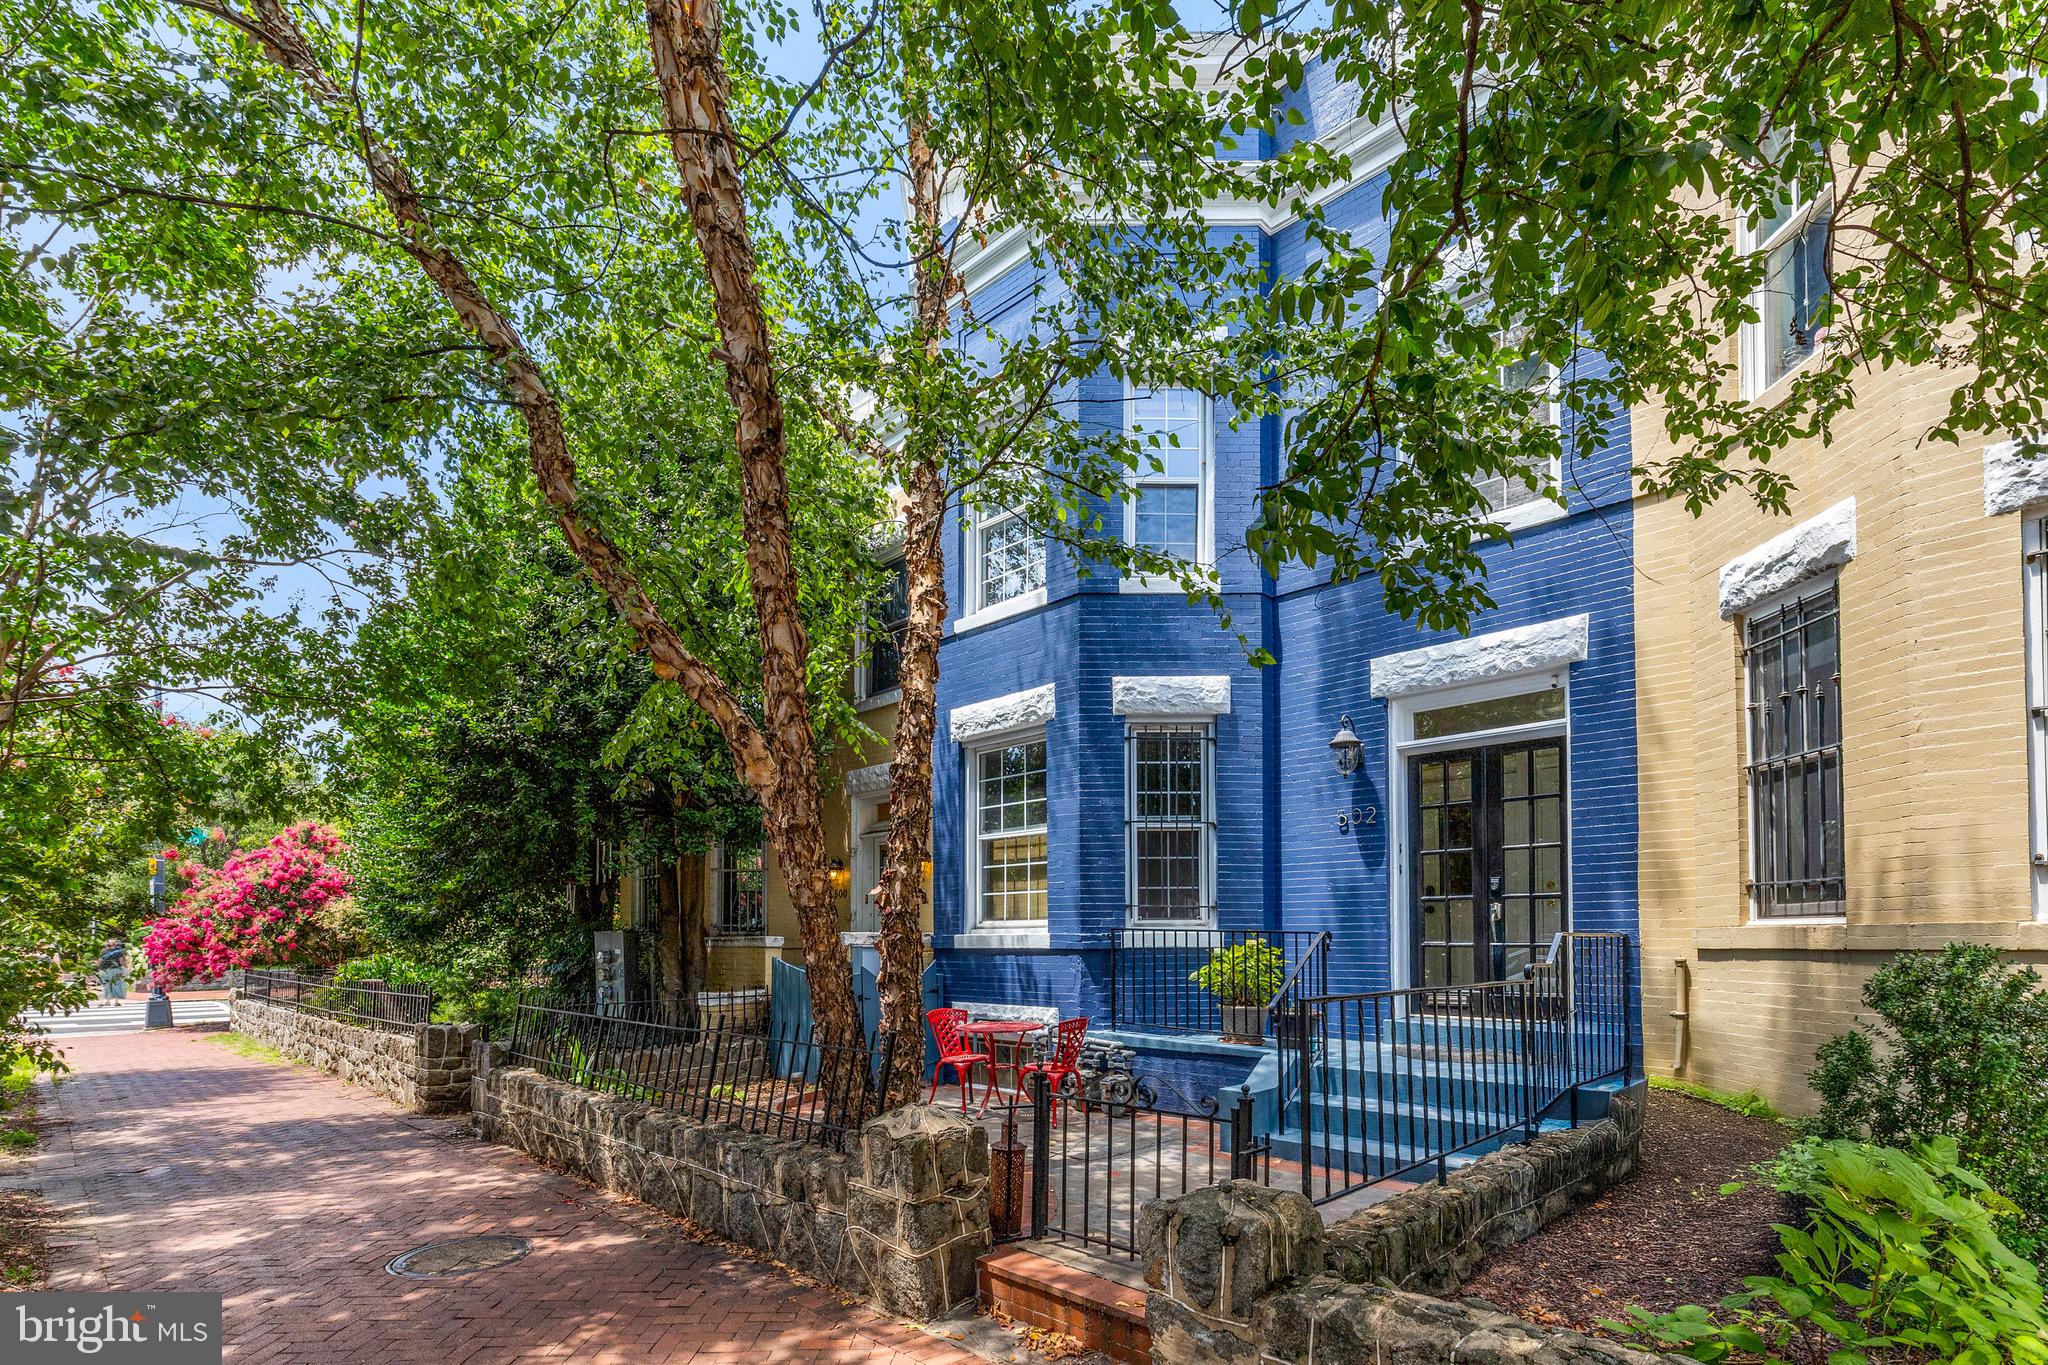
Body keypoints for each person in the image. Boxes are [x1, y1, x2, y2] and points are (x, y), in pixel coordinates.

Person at [97, 938, 129, 1005]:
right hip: (115, 969)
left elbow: (100, 960)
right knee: (117, 984)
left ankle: (107, 1001)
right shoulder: (118, 951)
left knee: (106, 985)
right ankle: (116, 1002)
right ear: (116, 944)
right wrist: (126, 967)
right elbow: (122, 961)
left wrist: (97, 967)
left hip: (104, 969)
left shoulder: (103, 951)